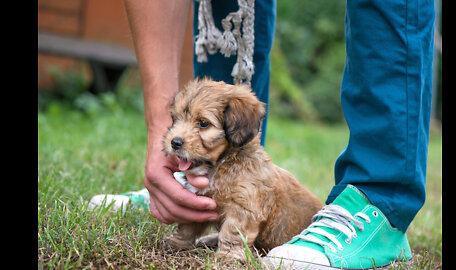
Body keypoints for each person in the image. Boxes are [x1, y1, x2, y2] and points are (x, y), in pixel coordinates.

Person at [116, 0, 434, 268]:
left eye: (202, 123)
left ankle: (378, 200)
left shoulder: (240, 125)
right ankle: (194, 187)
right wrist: (160, 121)